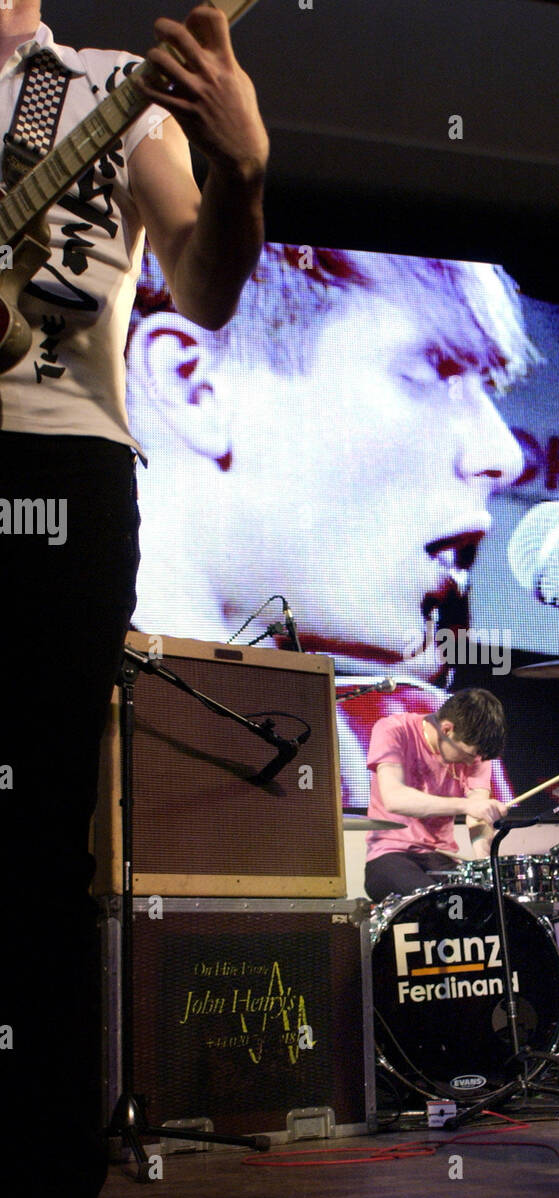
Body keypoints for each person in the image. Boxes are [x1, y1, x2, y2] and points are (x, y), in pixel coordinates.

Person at [0, 1, 268, 1198]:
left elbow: (206, 289)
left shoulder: (105, 84)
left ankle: (35, 1195)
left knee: (37, 839)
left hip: (55, 475)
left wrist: (244, 169)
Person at [127, 244, 535, 801]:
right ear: (191, 385)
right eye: (429, 370)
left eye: (485, 389)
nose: (505, 455)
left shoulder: (413, 735)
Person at [363, 688, 508, 902]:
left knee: (480, 904)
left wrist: (484, 866)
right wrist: (466, 806)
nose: (470, 762)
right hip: (389, 855)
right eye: (468, 755)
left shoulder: (476, 754)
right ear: (447, 730)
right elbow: (395, 799)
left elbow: (477, 814)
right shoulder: (393, 730)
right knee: (438, 904)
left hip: (441, 856)